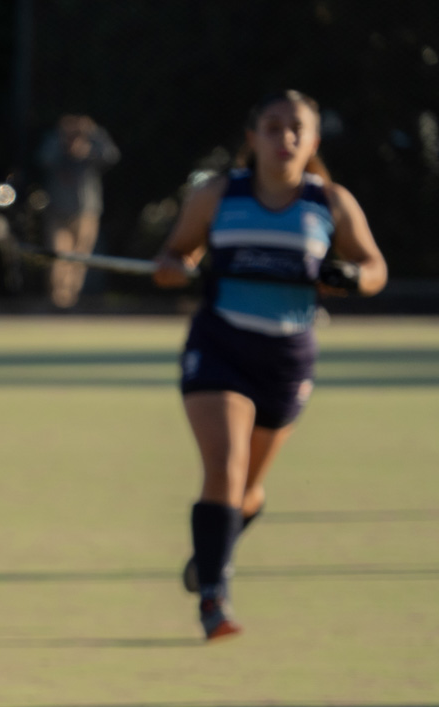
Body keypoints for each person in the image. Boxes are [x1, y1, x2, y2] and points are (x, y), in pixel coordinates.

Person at [153, 89, 385, 639]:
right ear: (252, 137)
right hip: (220, 345)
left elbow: (374, 267)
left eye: (297, 128)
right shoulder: (217, 195)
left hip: (286, 358)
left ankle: (211, 550)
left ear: (314, 140)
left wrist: (354, 277)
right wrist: (175, 268)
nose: (286, 137)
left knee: (247, 492)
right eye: (274, 126)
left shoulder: (330, 203)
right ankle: (214, 598)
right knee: (225, 467)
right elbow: (174, 257)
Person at [38, 114, 119, 307]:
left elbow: (112, 155)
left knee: (80, 256)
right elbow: (43, 158)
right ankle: (59, 296)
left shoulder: (91, 147)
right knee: (59, 253)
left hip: (87, 211)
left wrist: (94, 132)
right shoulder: (56, 144)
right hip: (58, 211)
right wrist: (61, 138)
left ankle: (70, 296)